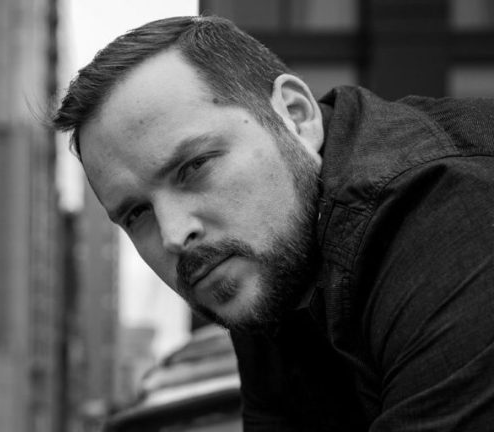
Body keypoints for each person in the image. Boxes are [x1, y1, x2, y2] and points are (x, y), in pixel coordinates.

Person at [52, 15, 494, 431]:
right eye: (137, 213)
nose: (174, 235)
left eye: (194, 166)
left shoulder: (448, 215)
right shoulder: (269, 263)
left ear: (296, 116)